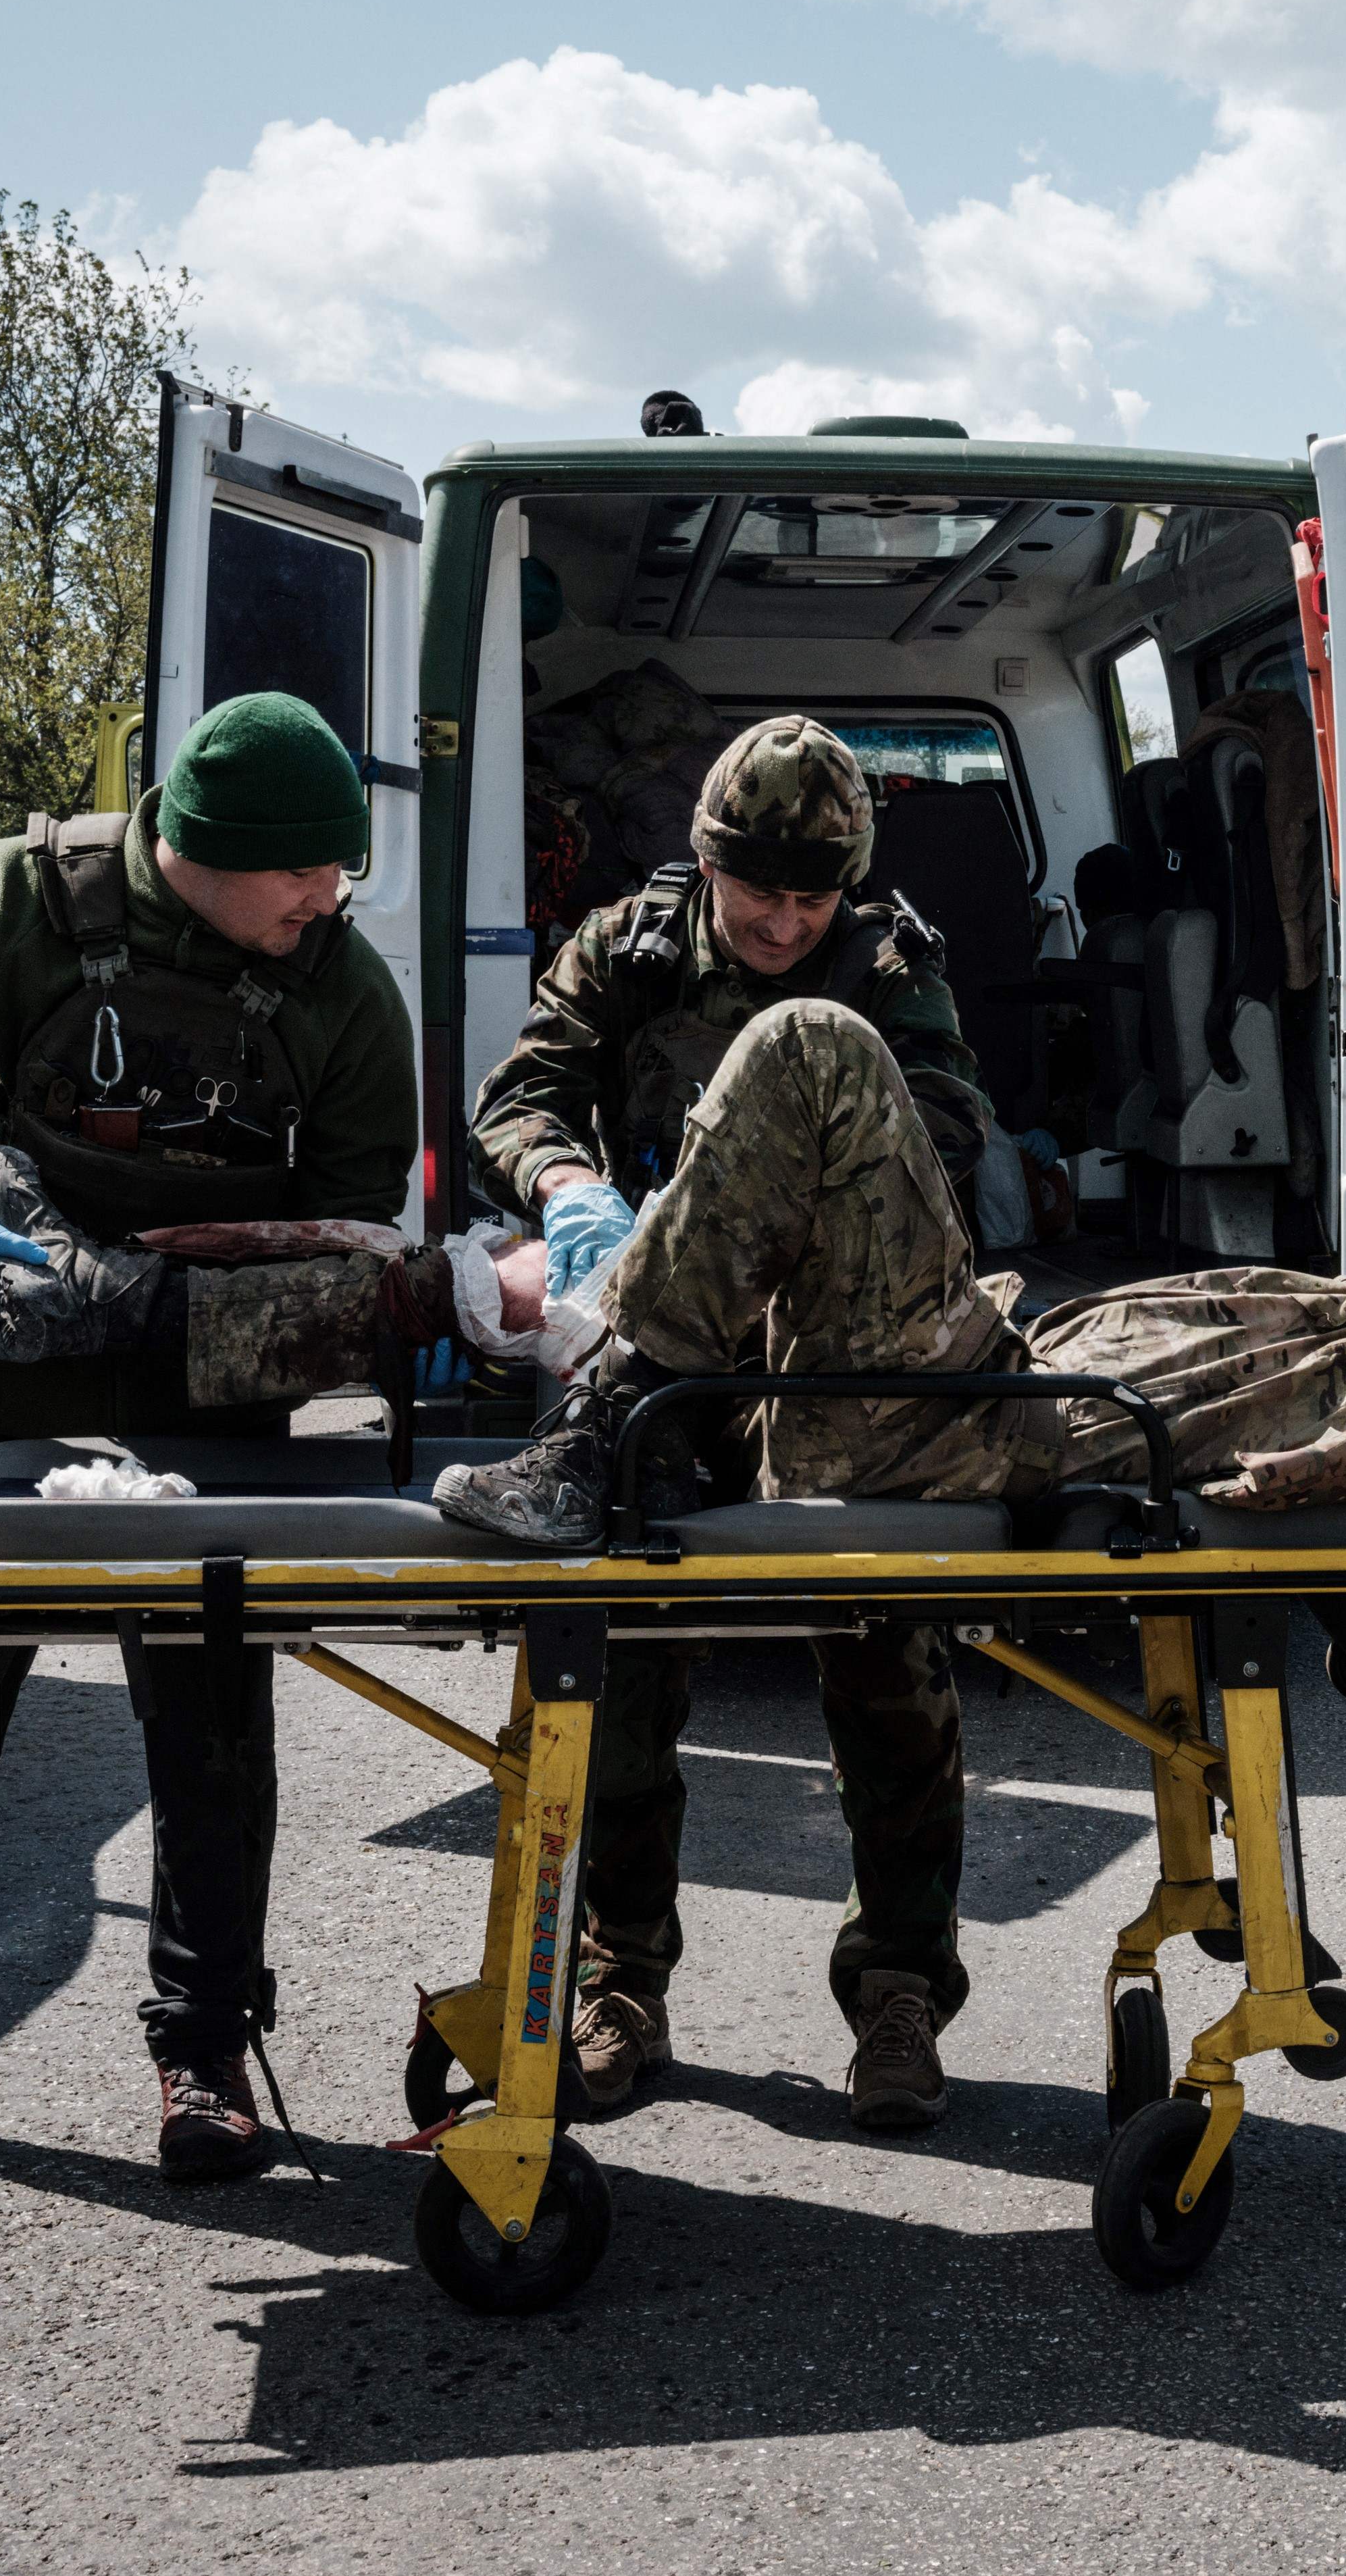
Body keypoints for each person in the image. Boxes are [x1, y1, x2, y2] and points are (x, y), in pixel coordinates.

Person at [432, 957, 1346, 2119]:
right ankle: (621, 1973)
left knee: (810, 1041)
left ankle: (601, 1424)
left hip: (968, 1423)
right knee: (648, 1613)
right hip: (962, 1386)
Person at [0, 692, 417, 2189]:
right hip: (6, 1402)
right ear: (195, 850)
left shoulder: (342, 993)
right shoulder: (19, 903)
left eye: (339, 874)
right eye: (303, 875)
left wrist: (231, 1305)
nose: (330, 900)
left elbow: (357, 1233)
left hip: (212, 1416)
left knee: (208, 1735)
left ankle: (204, 2057)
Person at [463, 715, 995, 2133]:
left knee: (890, 1668)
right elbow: (519, 1098)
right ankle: (617, 1978)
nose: (780, 920)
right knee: (618, 1677)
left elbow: (947, 1144)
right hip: (656, 1354)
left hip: (828, 1361)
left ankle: (900, 1985)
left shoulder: (883, 971)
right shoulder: (628, 949)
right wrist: (570, 1186)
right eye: (756, 891)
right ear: (704, 863)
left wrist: (784, 1186)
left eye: (809, 897)